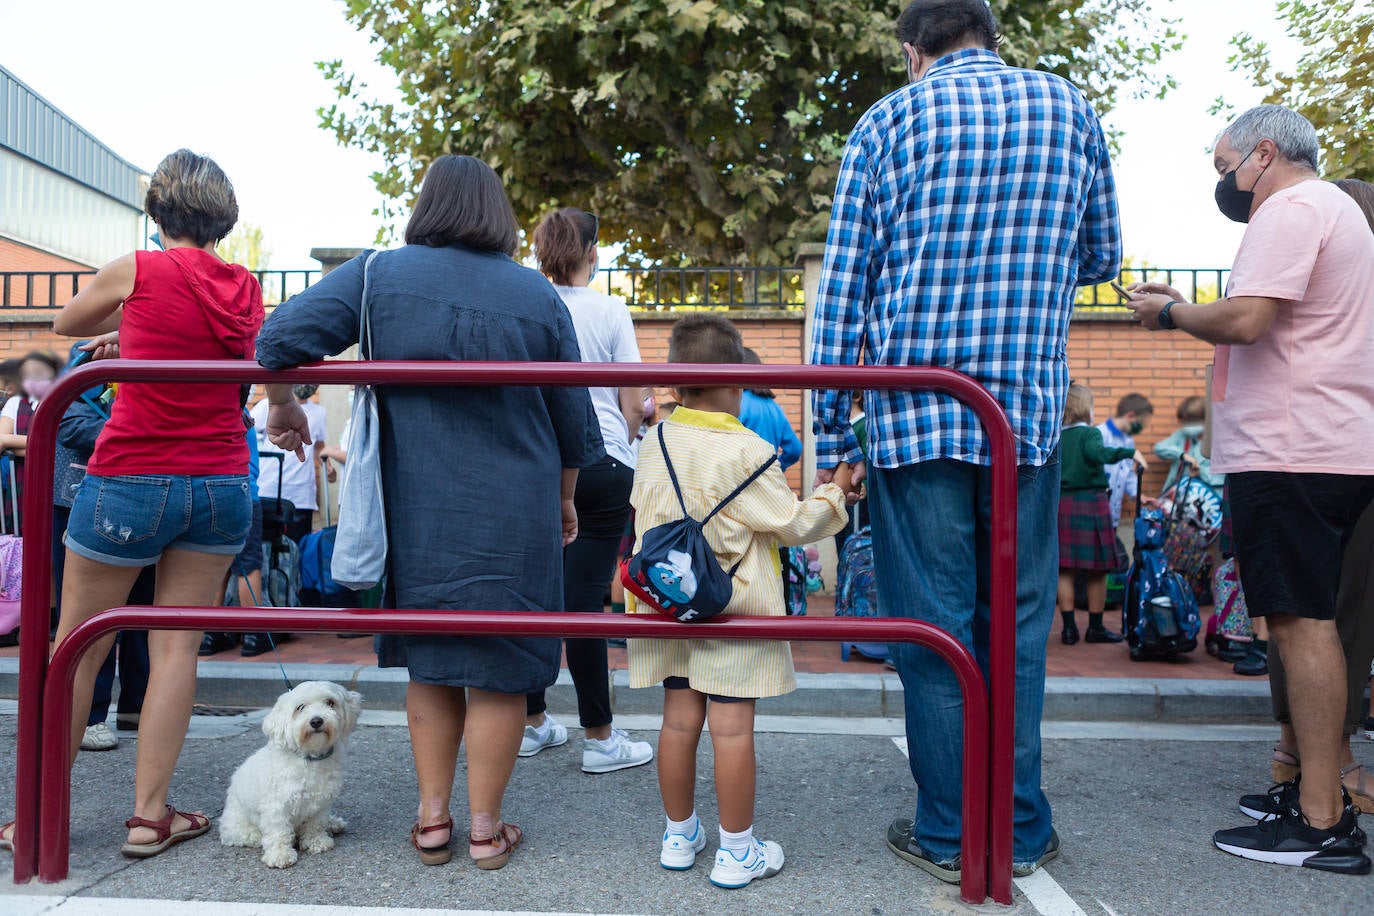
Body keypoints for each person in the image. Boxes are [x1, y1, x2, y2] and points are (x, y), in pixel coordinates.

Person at [811, 0, 1120, 881]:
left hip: (915, 419)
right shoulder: (1069, 109)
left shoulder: (889, 120)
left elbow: (844, 289)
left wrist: (836, 432)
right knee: (1017, 623)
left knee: (932, 625)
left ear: (914, 50)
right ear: (990, 35)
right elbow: (1101, 254)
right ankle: (1019, 827)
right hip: (1022, 418)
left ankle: (949, 830)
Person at [256, 154, 602, 870]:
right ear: (499, 216)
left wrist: (286, 403)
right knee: (503, 666)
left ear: (426, 206)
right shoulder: (537, 296)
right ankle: (485, 829)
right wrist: (564, 500)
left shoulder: (379, 274)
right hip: (515, 510)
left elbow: (276, 341)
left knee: (433, 662)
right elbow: (575, 422)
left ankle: (432, 819)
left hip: (415, 507)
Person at [1128, 104, 1374, 873]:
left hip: (1295, 448)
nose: (1226, 182)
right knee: (1314, 621)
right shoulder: (1332, 210)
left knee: (1303, 625)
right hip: (1323, 444)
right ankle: (1315, 790)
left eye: (1225, 166)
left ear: (1264, 153)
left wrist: (1170, 313)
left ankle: (1322, 822)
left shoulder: (1293, 206)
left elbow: (1247, 319)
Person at [0, 149, 263, 857]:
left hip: (132, 476)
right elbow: (231, 353)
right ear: (221, 214)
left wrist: (121, 322)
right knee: (176, 647)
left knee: (78, 646)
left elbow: (64, 322)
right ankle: (150, 816)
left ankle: (37, 818)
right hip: (219, 482)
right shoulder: (245, 285)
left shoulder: (137, 268)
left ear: (159, 209)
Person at [627, 314, 851, 889]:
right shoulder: (747, 449)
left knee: (677, 724)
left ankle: (679, 837)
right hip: (734, 606)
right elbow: (790, 524)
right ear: (733, 381)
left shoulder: (655, 443)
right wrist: (834, 494)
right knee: (730, 731)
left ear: (675, 384)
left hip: (669, 604)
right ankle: (737, 851)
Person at [518, 206, 653, 773]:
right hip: (602, 465)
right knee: (584, 603)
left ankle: (533, 722)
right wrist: (627, 435)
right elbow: (633, 394)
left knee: (530, 598)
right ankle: (600, 737)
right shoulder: (610, 308)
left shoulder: (526, 301)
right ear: (592, 254)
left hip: (535, 463)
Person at [52, 346, 153, 752]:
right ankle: (91, 715)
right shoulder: (81, 361)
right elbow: (73, 427)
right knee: (88, 619)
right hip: (77, 503)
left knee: (145, 612)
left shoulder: (149, 359)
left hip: (146, 502)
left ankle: (137, 705)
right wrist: (141, 427)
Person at [1055, 385, 1146, 645]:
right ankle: (1095, 629)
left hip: (1063, 504)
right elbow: (1099, 454)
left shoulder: (1057, 436)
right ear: (1085, 407)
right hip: (1092, 504)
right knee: (1098, 571)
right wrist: (1129, 453)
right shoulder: (1090, 433)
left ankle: (1069, 630)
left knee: (1065, 570)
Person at [253, 384, 327, 542]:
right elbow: (249, 435)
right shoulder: (266, 406)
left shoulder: (320, 412)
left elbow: (318, 447)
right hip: (270, 488)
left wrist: (327, 466)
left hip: (301, 494)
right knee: (265, 547)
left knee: (297, 548)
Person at [0, 350, 62, 531]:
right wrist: (44, 446)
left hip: (55, 485)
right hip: (20, 485)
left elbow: (59, 444)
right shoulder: (16, 402)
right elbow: (1, 439)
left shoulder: (63, 401)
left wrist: (10, 442)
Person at [737, 348, 802, 470]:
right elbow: (795, 449)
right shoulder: (774, 407)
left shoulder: (737, 404)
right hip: (769, 483)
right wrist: (776, 467)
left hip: (742, 481)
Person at [1098, 393, 1153, 529]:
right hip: (1097, 514)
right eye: (1140, 423)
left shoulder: (1128, 440)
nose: (1141, 428)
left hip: (1113, 517)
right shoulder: (1099, 434)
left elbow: (1128, 472)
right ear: (1130, 416)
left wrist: (1136, 493)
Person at [1153, 396, 1223, 496]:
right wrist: (1182, 455)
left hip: (1210, 499)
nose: (1187, 425)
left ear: (1205, 419)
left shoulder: (1218, 439)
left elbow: (1222, 478)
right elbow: (1159, 448)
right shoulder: (1182, 435)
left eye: (1192, 421)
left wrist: (1200, 471)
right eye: (1185, 421)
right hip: (1181, 497)